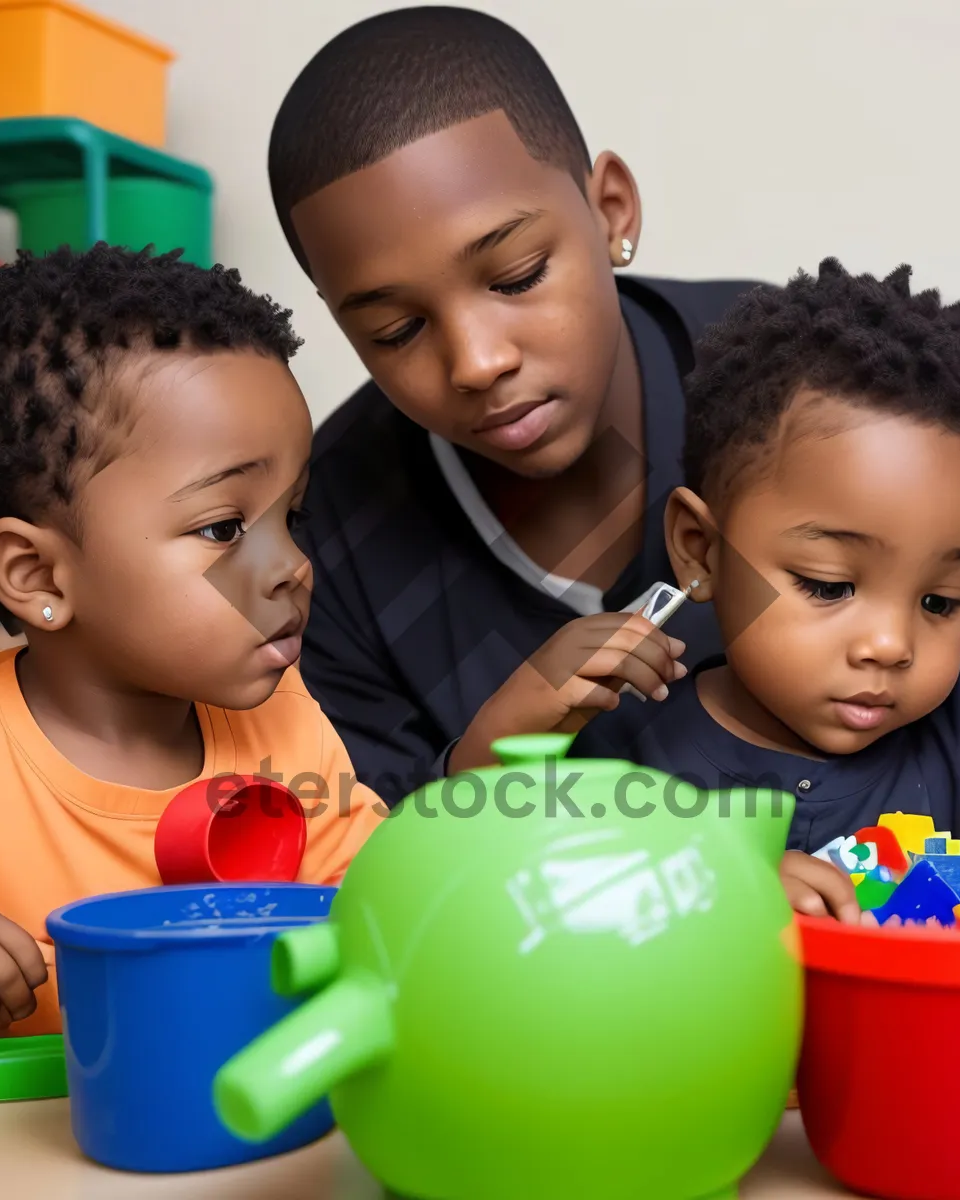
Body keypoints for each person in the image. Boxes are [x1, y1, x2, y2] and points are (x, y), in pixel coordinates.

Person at [265, 6, 766, 804]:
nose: (477, 362)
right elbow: (361, 860)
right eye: (397, 330)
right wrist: (481, 763)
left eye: (517, 276)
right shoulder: (318, 544)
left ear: (611, 212)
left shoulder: (791, 384)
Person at [0, 245, 385, 1043]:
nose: (292, 566)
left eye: (293, 515)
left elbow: (378, 915)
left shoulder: (288, 727)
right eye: (226, 527)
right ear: (39, 576)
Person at [589, 256, 960, 920]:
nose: (890, 644)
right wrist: (708, 880)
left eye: (940, 602)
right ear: (700, 550)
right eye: (829, 587)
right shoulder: (623, 743)